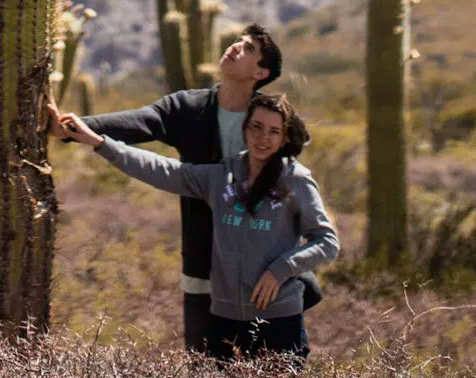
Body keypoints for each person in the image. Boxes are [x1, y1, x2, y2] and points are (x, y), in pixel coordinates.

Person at [56, 85, 340, 360]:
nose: (263, 137)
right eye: (256, 127)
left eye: (273, 131)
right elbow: (160, 168)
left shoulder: (295, 179)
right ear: (244, 128)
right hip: (224, 319)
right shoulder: (219, 177)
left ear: (283, 138)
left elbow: (327, 242)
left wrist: (280, 270)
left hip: (278, 320)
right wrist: (98, 142)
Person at [64, 21, 289, 351]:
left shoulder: (271, 121)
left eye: (249, 49)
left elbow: (294, 182)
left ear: (261, 73)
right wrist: (71, 128)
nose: (236, 46)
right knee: (202, 373)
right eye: (238, 41)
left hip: (260, 277)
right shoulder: (189, 108)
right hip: (202, 269)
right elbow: (141, 121)